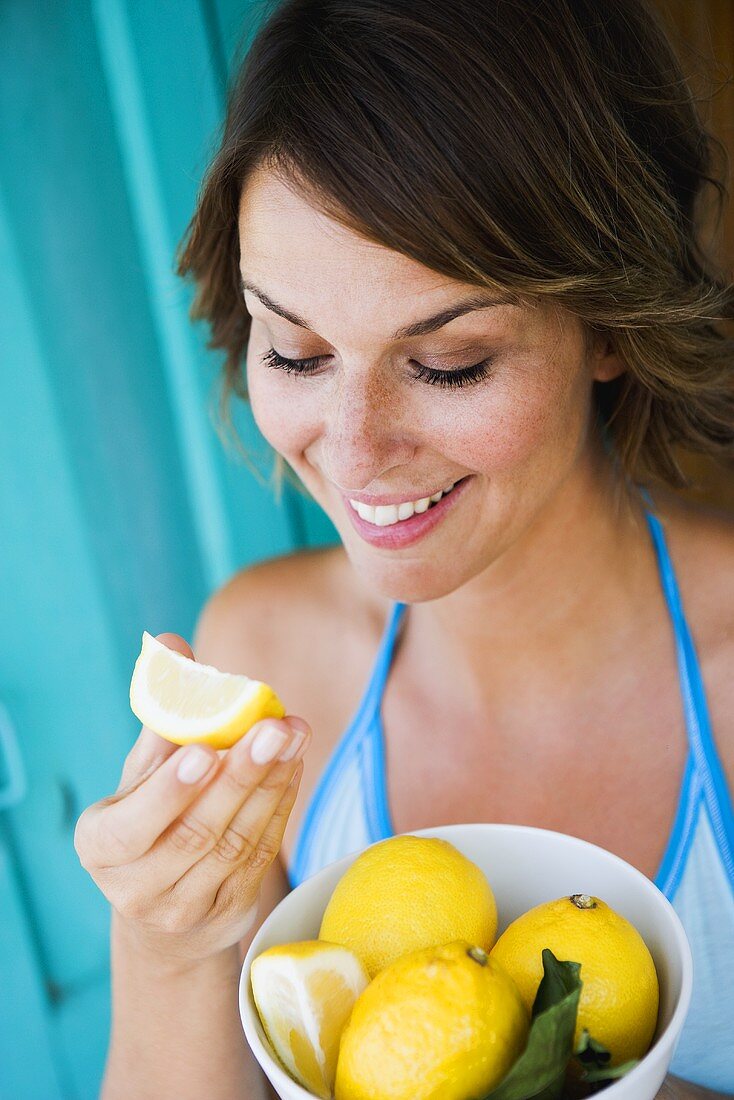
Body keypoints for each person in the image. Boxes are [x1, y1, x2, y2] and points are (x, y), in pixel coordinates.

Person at [74, 0, 734, 1097]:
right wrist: (166, 943)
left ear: (612, 323)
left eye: (450, 362)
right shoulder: (266, 655)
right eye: (294, 350)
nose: (352, 448)